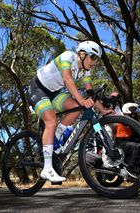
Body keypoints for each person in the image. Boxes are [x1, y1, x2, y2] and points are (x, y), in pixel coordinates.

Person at [27, 41, 113, 182]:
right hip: (38, 88)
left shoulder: (86, 70)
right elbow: (67, 79)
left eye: (96, 59)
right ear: (82, 54)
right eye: (93, 57)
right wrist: (82, 101)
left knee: (76, 110)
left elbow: (90, 92)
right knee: (51, 121)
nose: (94, 62)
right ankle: (47, 169)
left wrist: (103, 110)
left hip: (54, 93)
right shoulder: (68, 56)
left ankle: (57, 136)